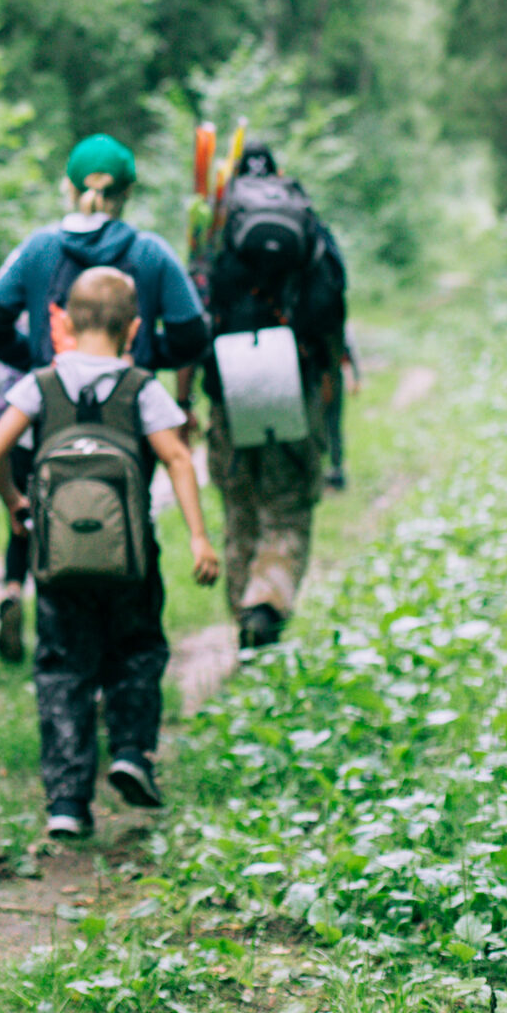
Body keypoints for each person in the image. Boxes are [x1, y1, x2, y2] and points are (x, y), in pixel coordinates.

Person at [0, 267, 219, 836]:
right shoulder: (142, 387)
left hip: (58, 560)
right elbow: (180, 458)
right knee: (136, 651)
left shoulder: (40, 384)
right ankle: (132, 752)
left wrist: (16, 503)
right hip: (130, 558)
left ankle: (66, 802)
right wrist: (200, 538)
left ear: (62, 322)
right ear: (134, 328)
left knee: (63, 669)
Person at [0, 135, 209, 660]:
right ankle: (122, 651)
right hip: (130, 419)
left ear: (69, 186)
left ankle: (56, 637)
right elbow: (193, 333)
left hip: (50, 412)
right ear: (126, 191)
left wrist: (34, 358)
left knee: (50, 512)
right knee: (126, 517)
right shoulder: (150, 252)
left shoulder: (38, 250)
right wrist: (149, 353)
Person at [200, 142, 348, 649]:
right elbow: (332, 301)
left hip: (229, 384)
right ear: (281, 176)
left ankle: (244, 606)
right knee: (286, 507)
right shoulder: (307, 225)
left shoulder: (215, 232)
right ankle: (268, 600)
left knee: (240, 507)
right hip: (295, 375)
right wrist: (329, 373)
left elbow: (196, 310)